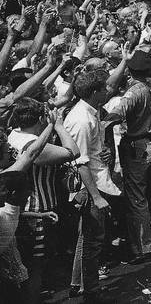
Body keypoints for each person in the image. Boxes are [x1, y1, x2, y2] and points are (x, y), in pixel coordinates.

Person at [6, 98, 81, 304]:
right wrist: (57, 125)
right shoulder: (31, 144)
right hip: (37, 209)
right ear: (40, 118)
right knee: (34, 267)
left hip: (21, 210)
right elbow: (73, 152)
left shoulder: (13, 136)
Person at [106, 48, 151, 263]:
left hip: (139, 146)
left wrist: (102, 121)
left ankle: (143, 248)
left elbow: (117, 114)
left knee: (137, 199)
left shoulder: (135, 91)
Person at [64, 68, 121, 304]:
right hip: (90, 186)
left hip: (97, 179)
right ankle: (91, 291)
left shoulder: (91, 112)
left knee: (87, 237)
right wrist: (96, 196)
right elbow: (81, 163)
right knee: (92, 241)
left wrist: (104, 152)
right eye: (104, 87)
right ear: (95, 92)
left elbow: (92, 151)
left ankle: (80, 284)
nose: (108, 90)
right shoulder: (82, 119)